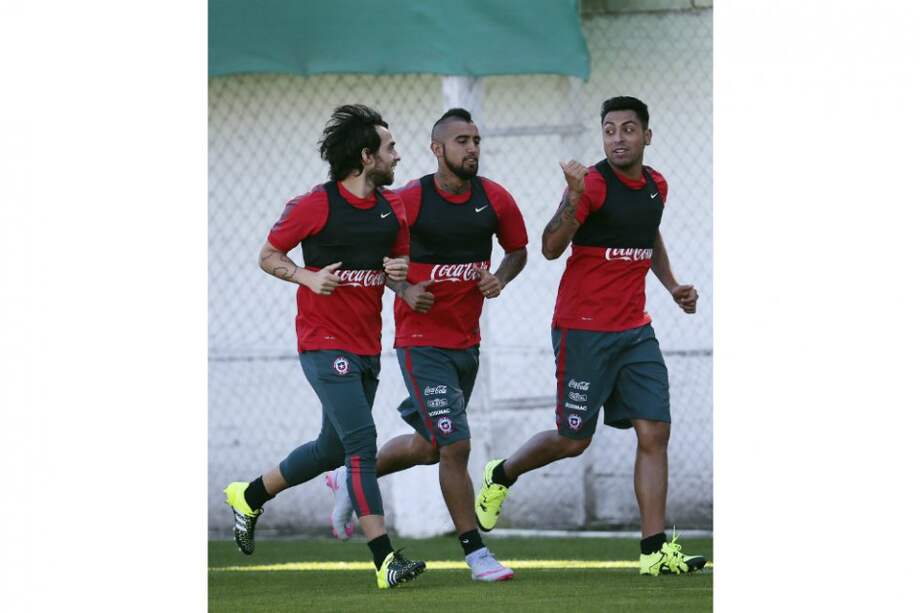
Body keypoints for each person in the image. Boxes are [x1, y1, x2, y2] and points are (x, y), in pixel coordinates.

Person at [474, 96, 707, 576]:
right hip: (583, 331)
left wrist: (672, 286)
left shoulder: (656, 185)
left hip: (635, 331)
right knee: (573, 439)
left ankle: (654, 552)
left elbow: (648, 236)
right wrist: (575, 195)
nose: (618, 138)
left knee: (654, 431)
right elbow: (549, 247)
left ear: (647, 135)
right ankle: (503, 472)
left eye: (627, 129)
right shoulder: (593, 185)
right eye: (609, 130)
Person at [222, 104, 426, 590]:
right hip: (322, 343)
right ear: (365, 156)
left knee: (332, 448)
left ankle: (248, 496)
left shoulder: (392, 206)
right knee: (361, 442)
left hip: (366, 346)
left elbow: (397, 267)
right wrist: (306, 276)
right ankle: (385, 560)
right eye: (389, 147)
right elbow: (269, 255)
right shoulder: (315, 205)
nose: (397, 155)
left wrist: (400, 280)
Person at [325, 108, 528, 582]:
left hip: (466, 343)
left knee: (429, 447)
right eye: (461, 141)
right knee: (456, 445)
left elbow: (518, 249)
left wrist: (499, 277)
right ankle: (477, 555)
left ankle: (355, 478)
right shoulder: (407, 200)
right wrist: (403, 289)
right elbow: (374, 251)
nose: (472, 148)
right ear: (437, 149)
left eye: (476, 139)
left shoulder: (495, 199)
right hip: (421, 343)